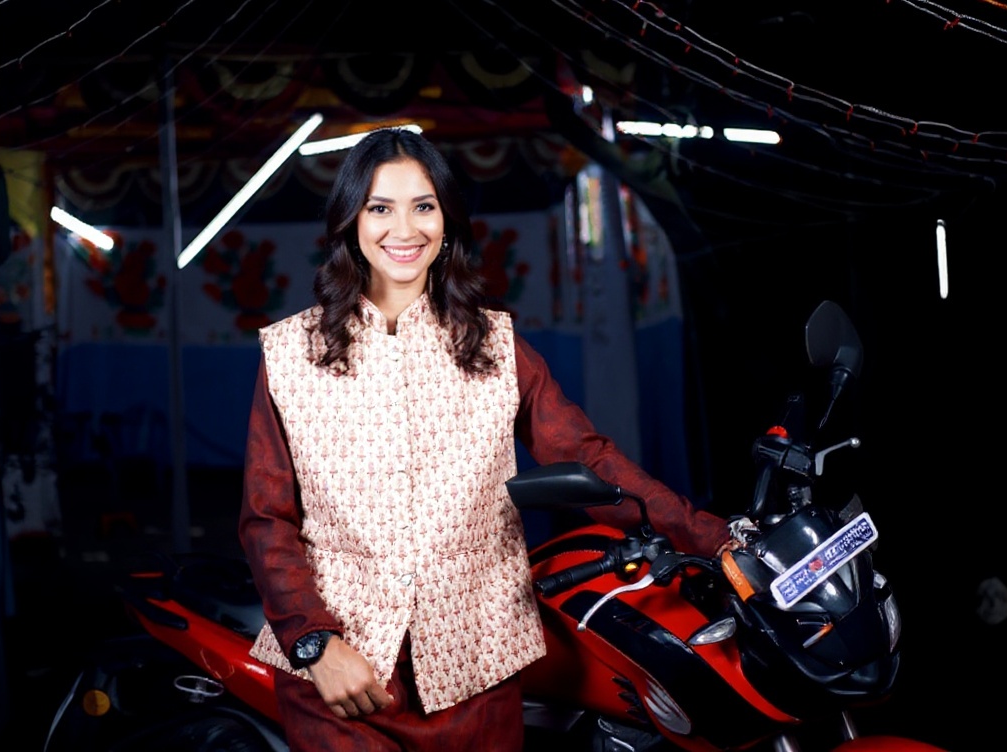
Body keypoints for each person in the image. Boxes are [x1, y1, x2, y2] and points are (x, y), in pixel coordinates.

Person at [237, 126, 738, 751]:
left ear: (447, 218)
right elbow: (267, 519)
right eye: (380, 207)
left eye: (424, 206)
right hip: (343, 678)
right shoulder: (291, 354)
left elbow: (587, 458)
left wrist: (715, 538)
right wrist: (313, 643)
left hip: (477, 673)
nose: (405, 228)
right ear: (350, 220)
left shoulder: (496, 346)